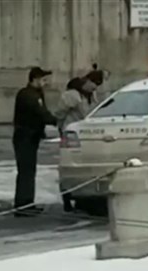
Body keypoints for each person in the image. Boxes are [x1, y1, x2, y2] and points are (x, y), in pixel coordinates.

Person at [12, 67, 57, 217]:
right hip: (25, 136)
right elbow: (40, 112)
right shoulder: (28, 95)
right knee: (26, 171)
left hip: (31, 136)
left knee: (29, 171)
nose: (45, 83)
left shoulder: (35, 94)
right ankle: (23, 205)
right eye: (43, 80)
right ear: (35, 79)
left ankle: (27, 203)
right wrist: (56, 121)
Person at [53, 77, 90, 212]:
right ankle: (68, 200)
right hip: (72, 133)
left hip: (76, 133)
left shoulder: (83, 96)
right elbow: (61, 112)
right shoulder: (72, 95)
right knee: (70, 167)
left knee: (75, 167)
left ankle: (74, 198)